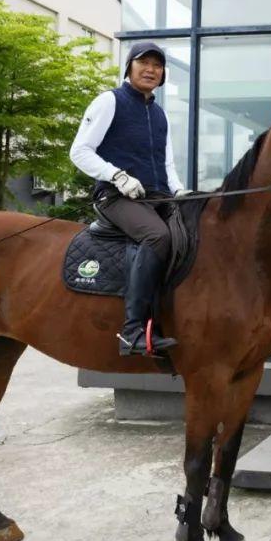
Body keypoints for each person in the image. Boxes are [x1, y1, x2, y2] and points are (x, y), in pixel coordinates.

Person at [70, 41, 191, 356]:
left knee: (196, 230)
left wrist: (179, 191)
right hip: (115, 197)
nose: (151, 70)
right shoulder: (110, 101)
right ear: (130, 67)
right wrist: (117, 176)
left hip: (156, 196)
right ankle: (132, 332)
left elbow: (167, 165)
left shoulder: (160, 114)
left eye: (158, 65)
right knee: (157, 236)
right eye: (144, 63)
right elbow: (79, 151)